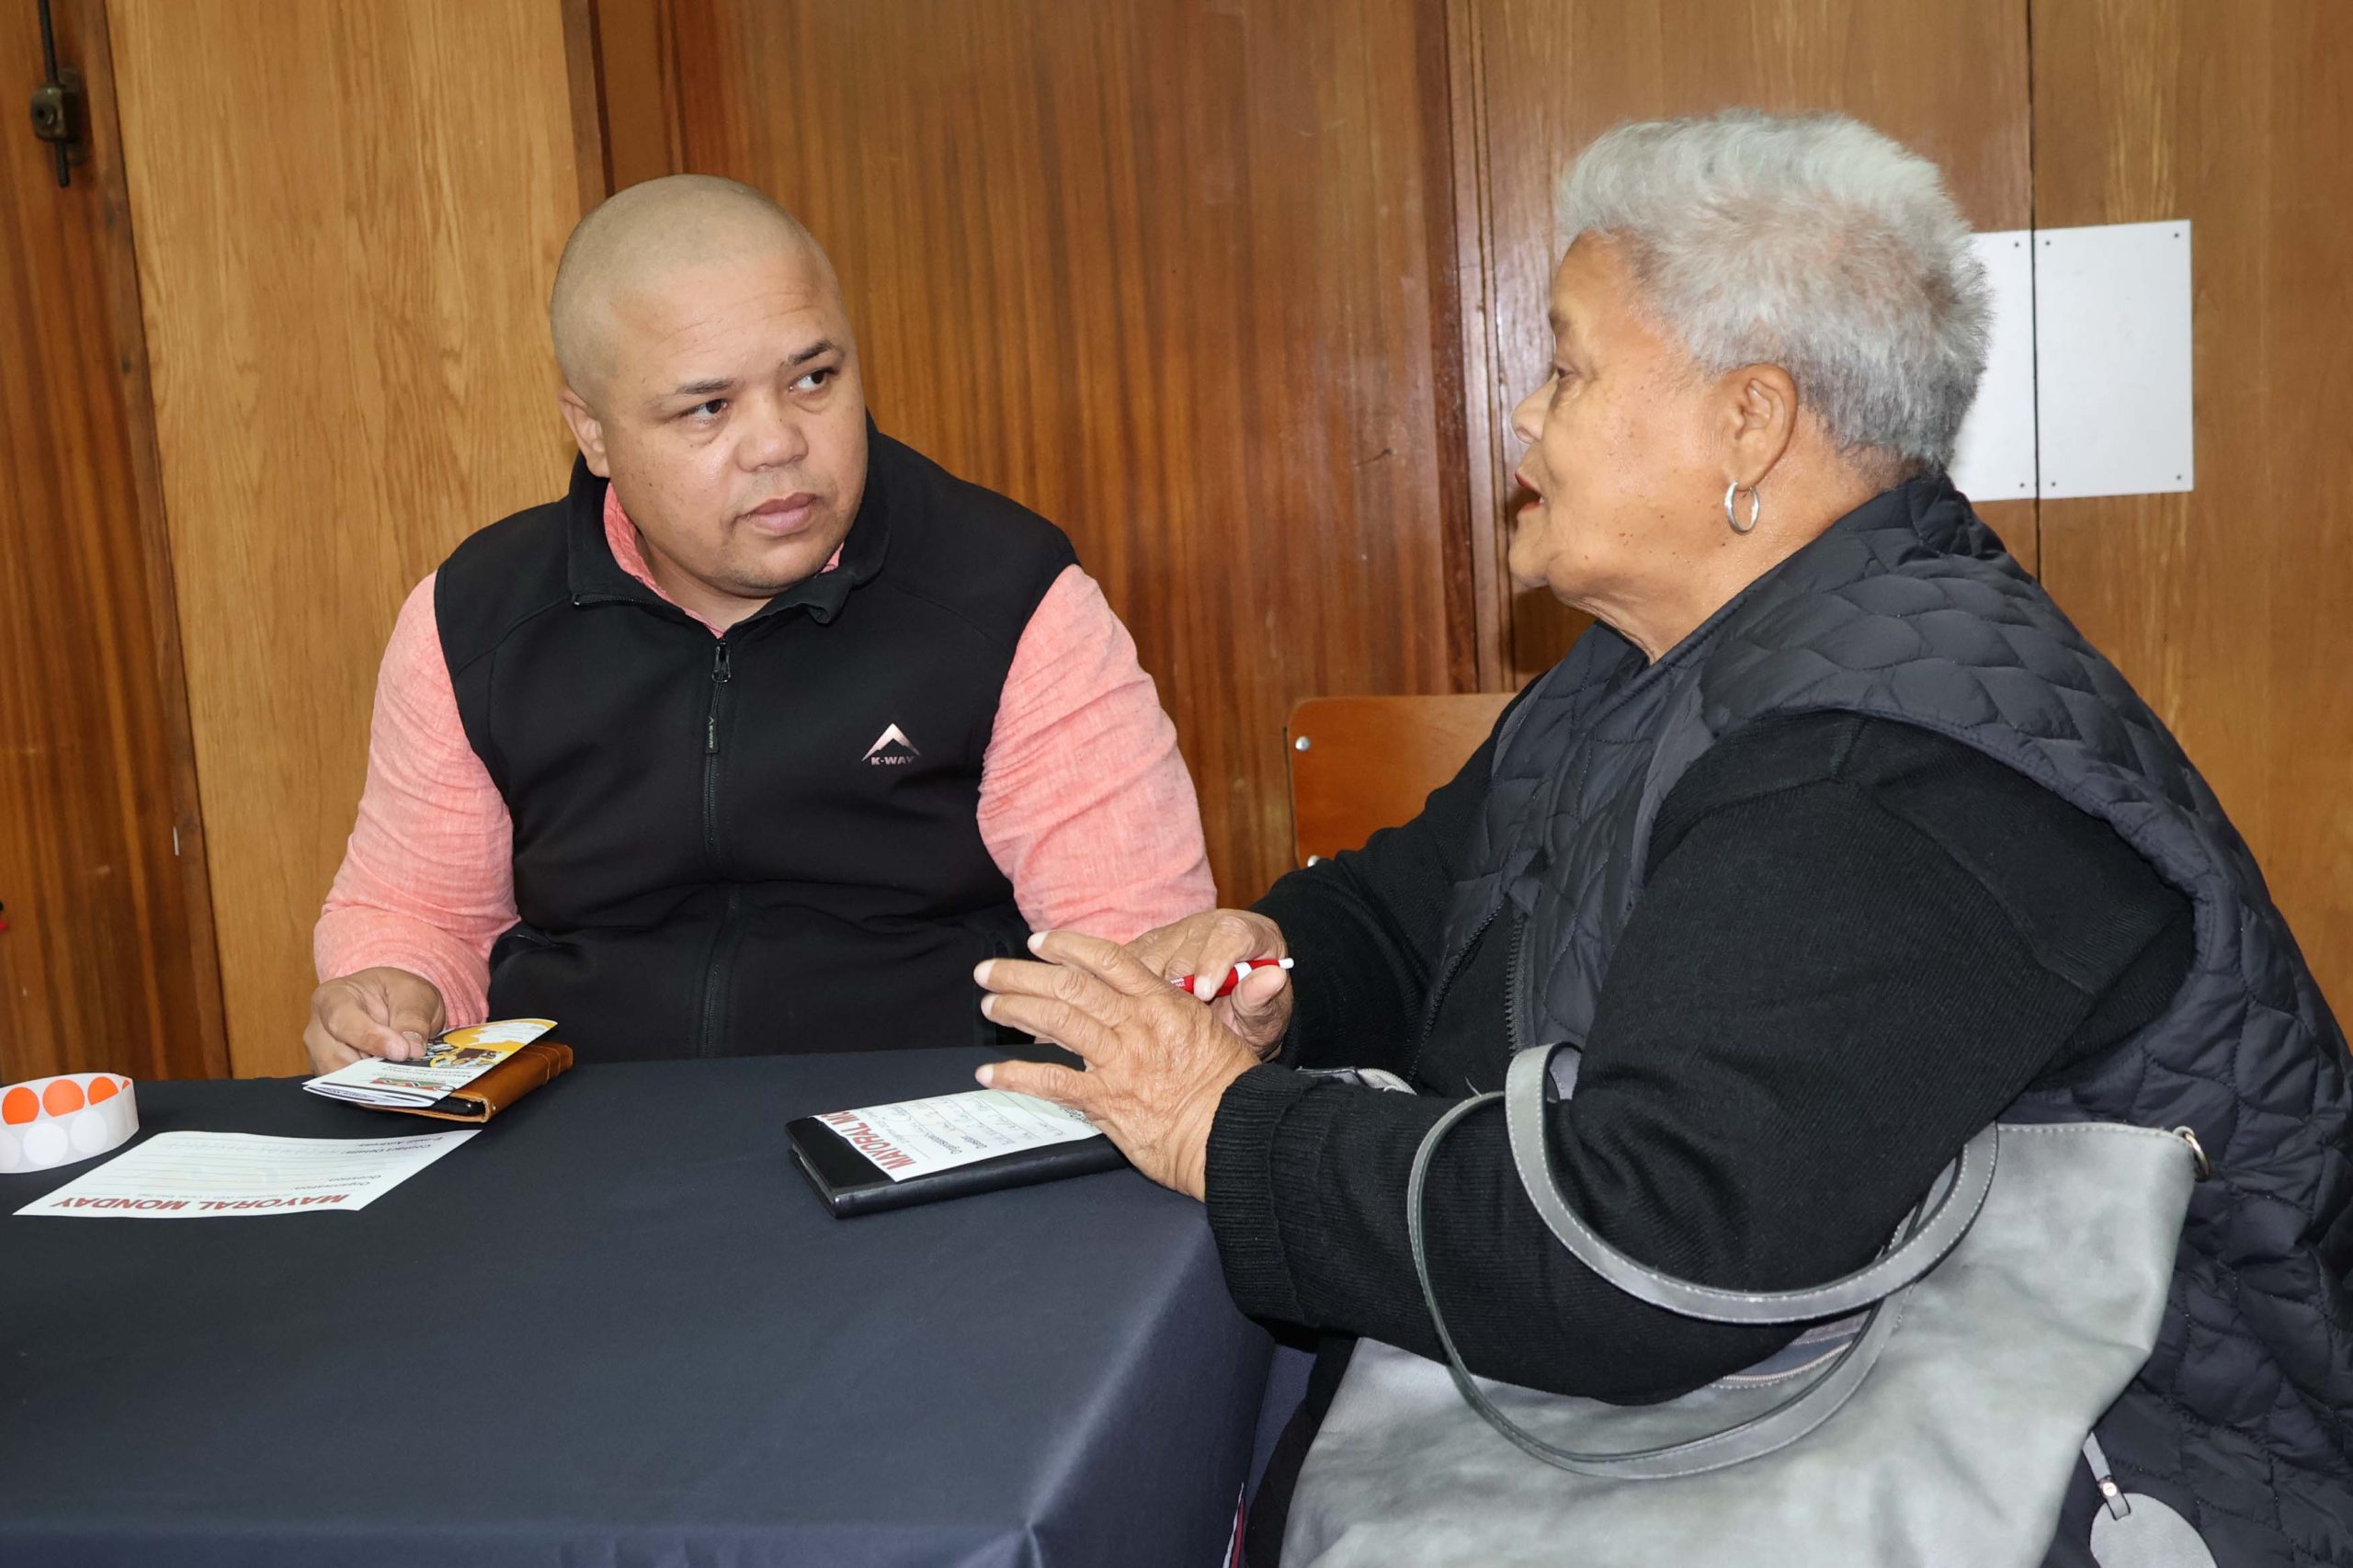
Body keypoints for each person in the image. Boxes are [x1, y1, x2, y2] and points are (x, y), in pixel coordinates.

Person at [973, 111, 2353, 1565]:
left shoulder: (1894, 766)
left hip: (2084, 1469)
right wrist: (1275, 967)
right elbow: (1424, 907)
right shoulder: (1666, 662)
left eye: (1569, 368)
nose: (1525, 416)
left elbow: (1653, 1251)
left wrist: (1222, 1127)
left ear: (1750, 422)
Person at [305, 176, 1211, 1071]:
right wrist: (389, 992)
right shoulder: (476, 619)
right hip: (585, 1125)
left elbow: (1130, 950)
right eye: (709, 407)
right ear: (593, 432)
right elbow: (423, 915)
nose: (780, 443)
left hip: (926, 1121)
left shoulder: (1005, 595)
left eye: (814, 378)